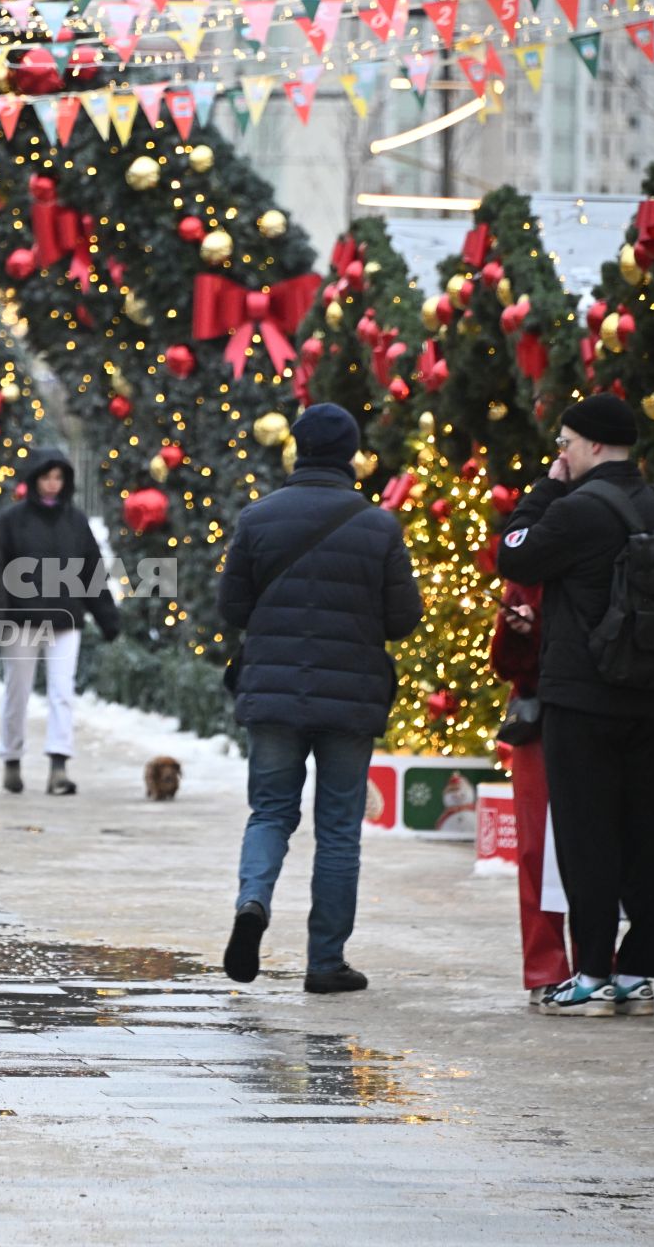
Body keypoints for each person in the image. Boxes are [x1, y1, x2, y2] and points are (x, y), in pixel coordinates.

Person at [498, 393, 654, 1017]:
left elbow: (513, 550)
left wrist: (544, 488)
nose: (560, 454)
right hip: (648, 693)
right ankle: (637, 972)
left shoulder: (580, 508)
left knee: (585, 833)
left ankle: (589, 975)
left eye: (564, 444)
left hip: (582, 696)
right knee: (642, 828)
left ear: (589, 445)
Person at [218, 403, 422, 995]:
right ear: (351, 456)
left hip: (274, 693)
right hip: (350, 698)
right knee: (338, 830)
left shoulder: (258, 518)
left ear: (298, 450)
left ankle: (252, 903)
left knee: (271, 813)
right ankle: (325, 961)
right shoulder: (378, 525)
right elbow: (403, 618)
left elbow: (232, 608)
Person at [0, 448, 121, 796]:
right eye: (46, 477)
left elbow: (91, 571)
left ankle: (59, 766)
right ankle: (11, 760)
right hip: (20, 622)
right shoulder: (10, 520)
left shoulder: (76, 521)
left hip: (66, 622)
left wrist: (108, 618)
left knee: (62, 693)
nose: (52, 484)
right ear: (34, 479)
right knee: (16, 693)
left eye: (58, 478)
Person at [489, 580, 573, 1004]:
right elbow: (503, 662)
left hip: (599, 712)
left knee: (600, 845)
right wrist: (519, 629)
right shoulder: (529, 569)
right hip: (540, 716)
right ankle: (547, 970)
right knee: (536, 848)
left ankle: (601, 964)